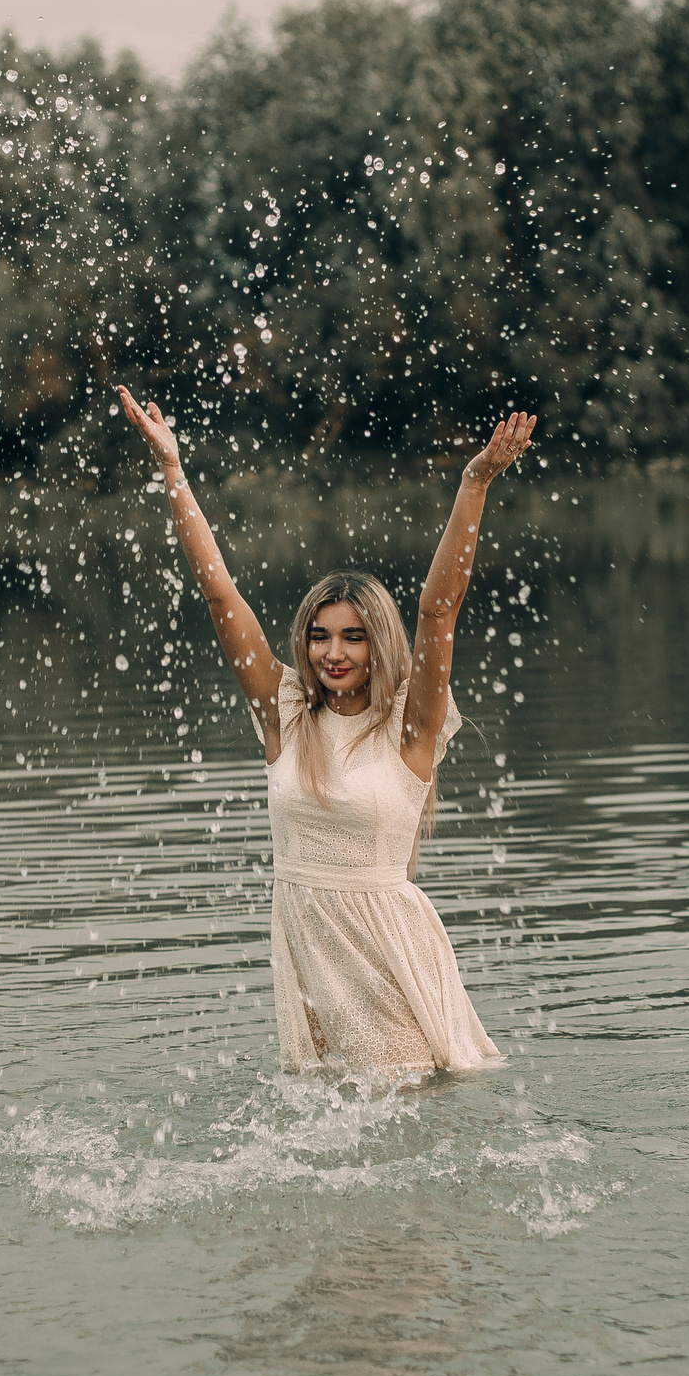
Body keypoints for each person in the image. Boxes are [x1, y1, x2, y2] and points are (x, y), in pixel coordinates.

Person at [115, 386, 535, 1079]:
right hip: (309, 951)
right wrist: (173, 473)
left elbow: (439, 611)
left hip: (388, 954)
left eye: (353, 637)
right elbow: (220, 594)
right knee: (339, 1127)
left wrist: (475, 480)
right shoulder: (284, 715)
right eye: (318, 636)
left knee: (406, 1121)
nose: (333, 652)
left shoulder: (410, 729)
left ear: (378, 644)